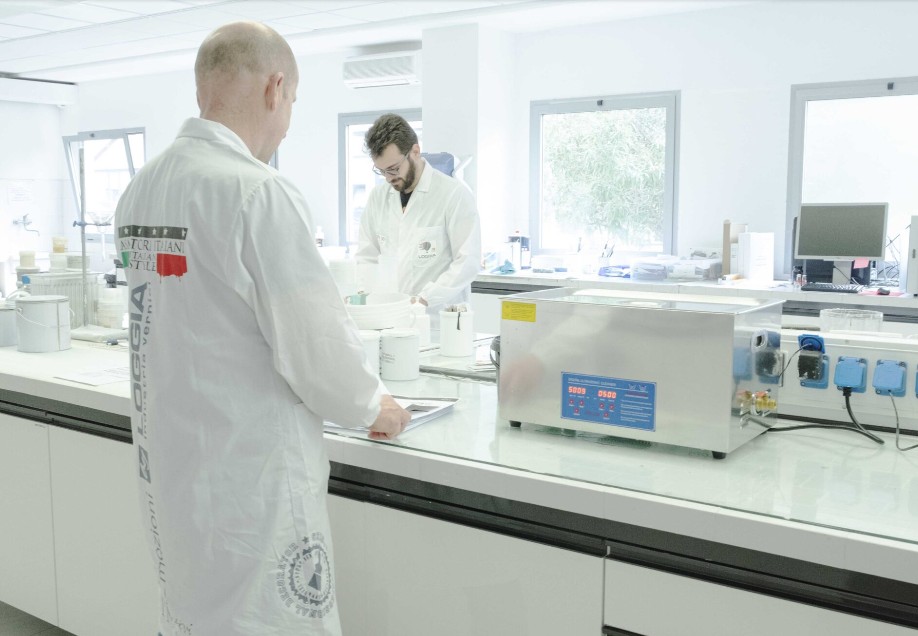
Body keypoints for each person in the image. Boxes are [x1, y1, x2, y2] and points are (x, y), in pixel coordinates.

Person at [115, 22, 410, 636]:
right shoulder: (257, 193)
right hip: (252, 489)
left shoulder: (141, 189)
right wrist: (373, 404)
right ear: (276, 88)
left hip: (176, 479)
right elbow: (316, 347)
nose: (288, 123)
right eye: (293, 102)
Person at [356, 114, 481, 323]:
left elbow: (467, 261)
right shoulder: (378, 198)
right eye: (381, 171)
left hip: (439, 322)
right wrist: (366, 299)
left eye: (394, 169)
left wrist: (423, 300)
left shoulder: (453, 195)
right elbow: (367, 256)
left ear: (415, 151)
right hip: (389, 320)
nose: (388, 178)